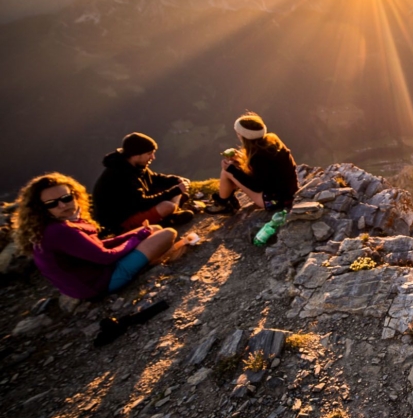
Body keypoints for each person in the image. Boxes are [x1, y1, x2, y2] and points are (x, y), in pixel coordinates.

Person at [13, 173, 178, 300]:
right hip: (98, 284)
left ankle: (144, 255)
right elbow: (105, 257)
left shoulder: (53, 226)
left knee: (155, 228)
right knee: (168, 234)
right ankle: (144, 262)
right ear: (41, 208)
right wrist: (137, 238)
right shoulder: (59, 231)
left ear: (75, 195)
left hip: (87, 281)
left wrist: (138, 233)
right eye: (52, 203)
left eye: (66, 198)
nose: (62, 205)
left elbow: (96, 246)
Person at [92, 132, 193, 234]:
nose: (153, 157)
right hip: (122, 221)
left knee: (173, 188)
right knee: (168, 205)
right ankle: (168, 219)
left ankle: (170, 216)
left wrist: (177, 180)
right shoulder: (120, 175)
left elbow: (154, 178)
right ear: (135, 155)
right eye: (149, 154)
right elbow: (142, 203)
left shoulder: (134, 165)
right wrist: (175, 191)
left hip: (136, 207)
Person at [207, 113, 299, 214]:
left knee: (226, 172)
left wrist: (232, 169)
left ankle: (223, 204)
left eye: (238, 133)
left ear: (243, 135)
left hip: (274, 201)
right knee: (233, 170)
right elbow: (267, 170)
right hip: (290, 191)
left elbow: (256, 186)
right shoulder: (272, 141)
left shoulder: (258, 157)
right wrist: (241, 158)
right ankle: (226, 200)